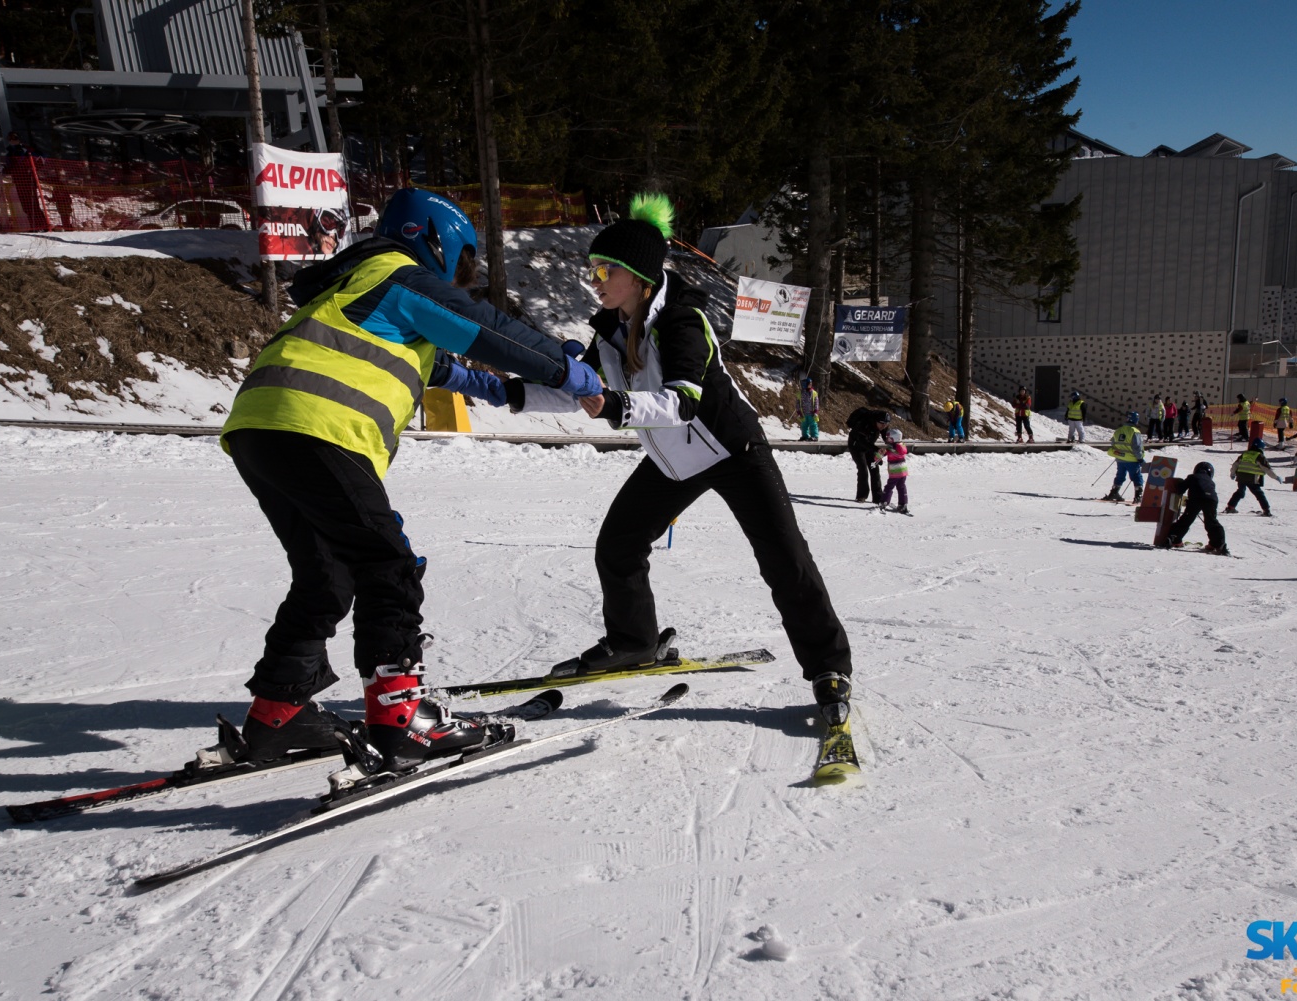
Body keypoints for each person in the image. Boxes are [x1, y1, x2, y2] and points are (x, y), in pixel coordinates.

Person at [216, 187, 603, 775]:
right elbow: (487, 330)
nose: (463, 275)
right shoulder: (400, 275)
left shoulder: (364, 288)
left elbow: (452, 366)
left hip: (261, 428)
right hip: (317, 426)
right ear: (432, 239)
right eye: (463, 260)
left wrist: (519, 389)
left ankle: (278, 711)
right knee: (388, 566)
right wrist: (568, 368)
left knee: (328, 573)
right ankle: (400, 720)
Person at [510, 193, 855, 724]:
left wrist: (616, 407)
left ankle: (829, 667)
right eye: (593, 269)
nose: (594, 279)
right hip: (675, 459)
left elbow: (683, 400)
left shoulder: (683, 319)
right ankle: (633, 642)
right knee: (619, 544)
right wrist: (502, 393)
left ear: (638, 275)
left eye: (605, 269)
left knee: (784, 558)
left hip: (732, 450)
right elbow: (576, 388)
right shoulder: (608, 326)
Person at [1158, 461, 1228, 555]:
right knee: (1211, 521)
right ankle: (1218, 544)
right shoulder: (1211, 481)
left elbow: (1180, 489)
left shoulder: (1192, 477)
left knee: (1187, 519)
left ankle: (1174, 539)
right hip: (1211, 500)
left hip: (1196, 498)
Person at [847, 406, 891, 502]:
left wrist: (891, 444)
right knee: (863, 469)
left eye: (886, 424)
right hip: (856, 446)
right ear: (876, 421)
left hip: (869, 446)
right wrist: (876, 450)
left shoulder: (882, 424)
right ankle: (861, 496)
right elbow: (862, 441)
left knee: (874, 468)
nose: (884, 426)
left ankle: (878, 497)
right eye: (882, 424)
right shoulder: (864, 424)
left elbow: (886, 436)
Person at [1226, 439, 1277, 516]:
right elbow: (1266, 469)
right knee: (1259, 494)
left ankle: (1230, 507)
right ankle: (1266, 510)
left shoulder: (1245, 454)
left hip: (1241, 477)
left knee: (1240, 492)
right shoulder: (1259, 456)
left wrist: (1232, 473)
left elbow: (1235, 465)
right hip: (1252, 478)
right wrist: (1276, 477)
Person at [1103, 411, 1145, 503]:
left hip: (1120, 458)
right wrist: (1140, 458)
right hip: (1132, 459)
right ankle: (1138, 495)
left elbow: (1113, 443)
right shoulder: (1135, 431)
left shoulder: (1118, 430)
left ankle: (1114, 492)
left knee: (1120, 475)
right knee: (1136, 476)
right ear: (1136, 420)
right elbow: (1137, 447)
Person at [877, 427, 909, 513]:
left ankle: (884, 501)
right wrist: (878, 456)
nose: (887, 439)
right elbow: (882, 454)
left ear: (894, 439)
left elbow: (900, 451)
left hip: (896, 472)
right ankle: (903, 503)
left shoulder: (897, 447)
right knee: (901, 487)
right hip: (902, 472)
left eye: (889, 438)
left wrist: (886, 450)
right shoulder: (894, 447)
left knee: (889, 487)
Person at [795, 376, 820, 441]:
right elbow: (797, 403)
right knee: (804, 425)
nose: (811, 385)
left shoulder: (814, 393)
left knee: (813, 425)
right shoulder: (800, 393)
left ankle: (814, 436)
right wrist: (798, 411)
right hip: (803, 413)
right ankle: (805, 436)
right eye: (809, 384)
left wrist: (816, 411)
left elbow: (816, 402)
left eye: (811, 384)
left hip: (812, 413)